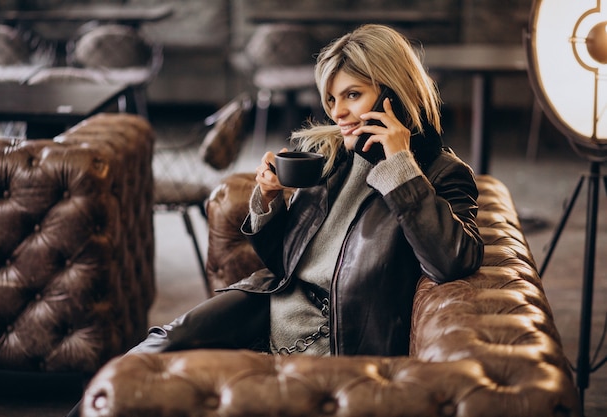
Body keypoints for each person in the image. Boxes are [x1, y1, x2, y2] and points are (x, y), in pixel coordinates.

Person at [67, 23, 483, 415]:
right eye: (331, 100)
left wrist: (400, 168)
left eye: (353, 95)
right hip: (269, 304)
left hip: (336, 338)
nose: (338, 112)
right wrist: (268, 201)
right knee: (149, 354)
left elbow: (452, 260)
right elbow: (284, 262)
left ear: (393, 92)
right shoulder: (334, 156)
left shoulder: (440, 174)